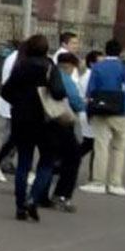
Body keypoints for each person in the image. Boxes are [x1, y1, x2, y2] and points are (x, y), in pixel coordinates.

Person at [0, 34, 67, 222]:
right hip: (46, 121)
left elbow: (6, 91)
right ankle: (33, 198)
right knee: (46, 162)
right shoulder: (50, 66)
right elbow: (59, 92)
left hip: (23, 119)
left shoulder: (21, 65)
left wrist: (20, 103)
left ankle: (20, 205)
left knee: (23, 162)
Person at [80, 39, 125, 197]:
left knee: (101, 146)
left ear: (106, 51)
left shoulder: (98, 67)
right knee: (119, 147)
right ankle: (115, 182)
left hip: (101, 110)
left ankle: (98, 181)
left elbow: (91, 91)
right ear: (120, 51)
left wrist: (90, 109)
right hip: (120, 111)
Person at [51, 52, 85, 213]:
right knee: (73, 157)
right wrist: (83, 105)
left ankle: (40, 193)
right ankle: (62, 195)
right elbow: (75, 102)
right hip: (62, 121)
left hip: (45, 121)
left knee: (49, 159)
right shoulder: (66, 78)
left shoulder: (49, 73)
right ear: (70, 66)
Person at [0, 41, 21, 183]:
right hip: (13, 102)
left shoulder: (13, 57)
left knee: (12, 133)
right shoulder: (17, 59)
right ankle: (3, 161)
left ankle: (4, 160)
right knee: (12, 134)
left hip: (10, 101)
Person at [78, 50, 103, 177]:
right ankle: (93, 173)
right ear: (92, 64)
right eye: (100, 62)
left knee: (90, 144)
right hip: (88, 112)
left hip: (87, 112)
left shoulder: (88, 76)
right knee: (93, 144)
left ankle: (93, 173)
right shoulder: (89, 77)